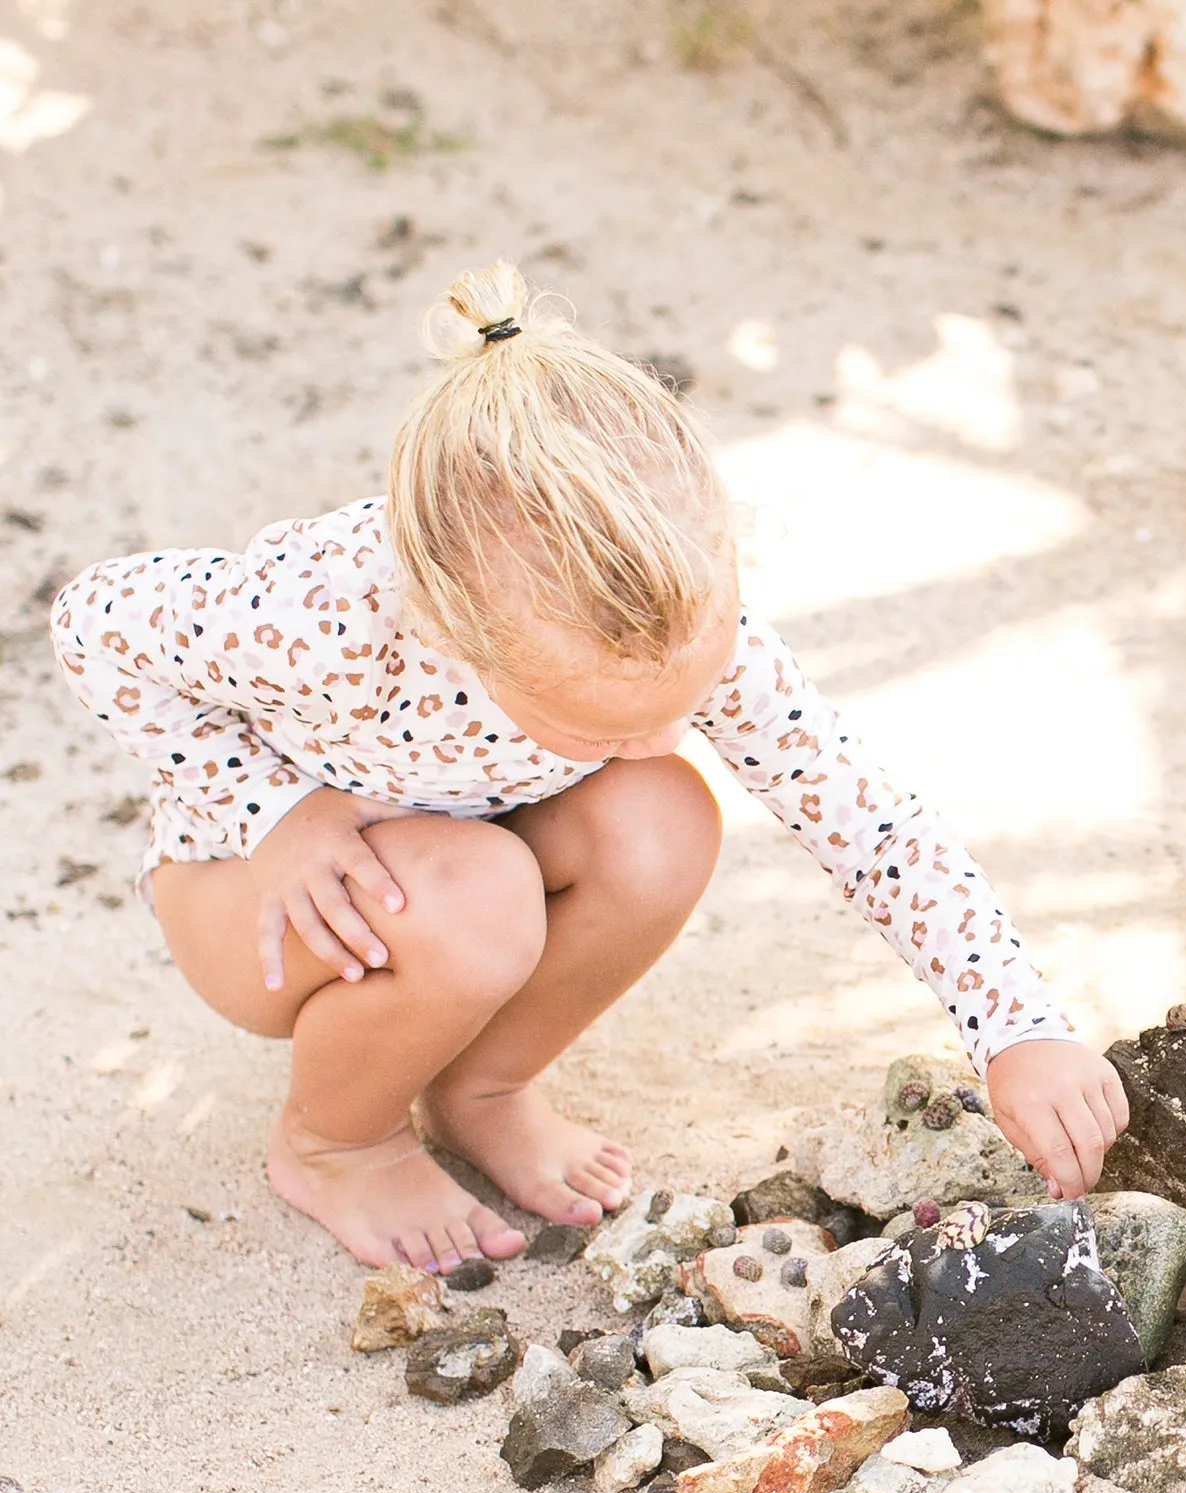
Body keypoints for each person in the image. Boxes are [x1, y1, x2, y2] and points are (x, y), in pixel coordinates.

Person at [55, 261, 1126, 1275]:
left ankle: (483, 1083)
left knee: (662, 816)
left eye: (679, 697)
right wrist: (274, 811)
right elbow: (90, 621)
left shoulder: (686, 614)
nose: (646, 734)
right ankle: (336, 1140)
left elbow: (869, 823)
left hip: (452, 852)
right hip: (256, 896)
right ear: (452, 631)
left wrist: (1016, 1027)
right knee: (482, 894)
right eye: (600, 726)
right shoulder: (326, 608)